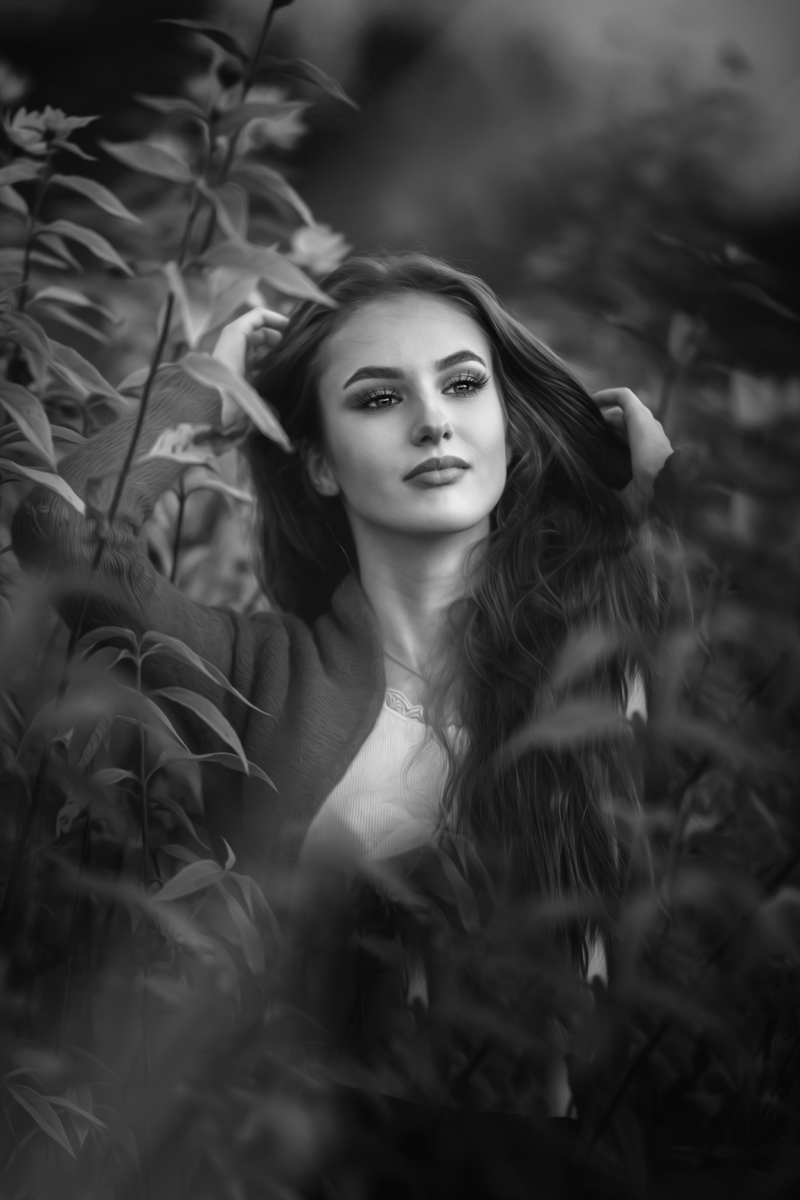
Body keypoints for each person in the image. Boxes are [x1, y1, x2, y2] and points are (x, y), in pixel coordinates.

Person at [12, 251, 686, 1006]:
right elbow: (62, 529)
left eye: (463, 385)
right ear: (320, 465)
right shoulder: (256, 680)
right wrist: (206, 392)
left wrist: (673, 505)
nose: (432, 422)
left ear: (508, 425)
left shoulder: (595, 660)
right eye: (378, 399)